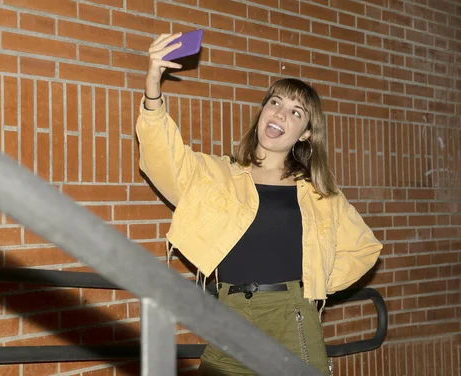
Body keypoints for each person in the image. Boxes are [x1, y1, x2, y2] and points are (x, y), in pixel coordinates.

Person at [135, 32, 383, 376]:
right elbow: (164, 159)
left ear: (306, 133)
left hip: (291, 318)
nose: (280, 114)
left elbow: (365, 249)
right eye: (275, 102)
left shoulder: (318, 192)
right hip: (231, 315)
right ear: (263, 111)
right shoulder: (221, 175)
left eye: (296, 112)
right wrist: (153, 87)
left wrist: (313, 281)